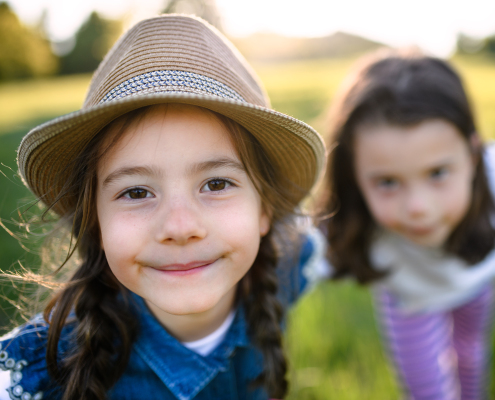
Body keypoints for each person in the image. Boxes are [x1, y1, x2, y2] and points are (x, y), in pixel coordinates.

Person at [0, 14, 325, 400]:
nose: (180, 226)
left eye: (216, 184)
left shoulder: (289, 262)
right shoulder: (38, 371)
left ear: (264, 210)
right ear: (96, 222)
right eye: (136, 192)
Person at [322, 47, 495, 399]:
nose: (418, 208)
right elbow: (289, 261)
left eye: (437, 173)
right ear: (354, 175)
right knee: (426, 391)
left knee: (470, 355)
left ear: (472, 155)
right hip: (411, 298)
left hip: (477, 282)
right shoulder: (350, 216)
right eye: (388, 182)